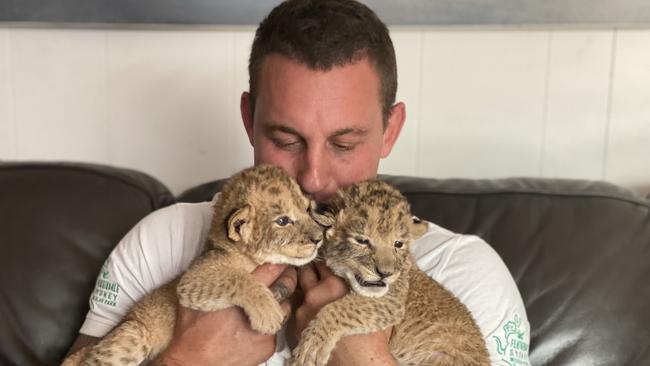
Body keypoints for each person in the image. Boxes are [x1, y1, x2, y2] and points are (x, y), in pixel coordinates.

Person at [68, 0, 531, 365]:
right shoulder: (160, 241)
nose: (312, 177)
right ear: (250, 120)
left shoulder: (468, 274)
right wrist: (186, 361)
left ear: (390, 130)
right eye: (286, 140)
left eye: (344, 144)